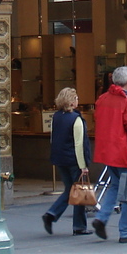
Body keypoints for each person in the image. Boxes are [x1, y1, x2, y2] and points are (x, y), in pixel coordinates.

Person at [92, 66, 127, 243]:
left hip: (109, 152)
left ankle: (102, 218)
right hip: (124, 152)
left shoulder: (102, 99)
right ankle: (126, 231)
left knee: (115, 186)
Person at [42, 87, 92, 236]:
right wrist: (83, 165)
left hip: (60, 158)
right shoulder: (76, 119)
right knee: (79, 192)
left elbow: (53, 138)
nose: (78, 100)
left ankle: (53, 214)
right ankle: (78, 225)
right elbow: (79, 144)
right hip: (73, 160)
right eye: (76, 98)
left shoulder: (56, 116)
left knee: (70, 190)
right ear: (71, 101)